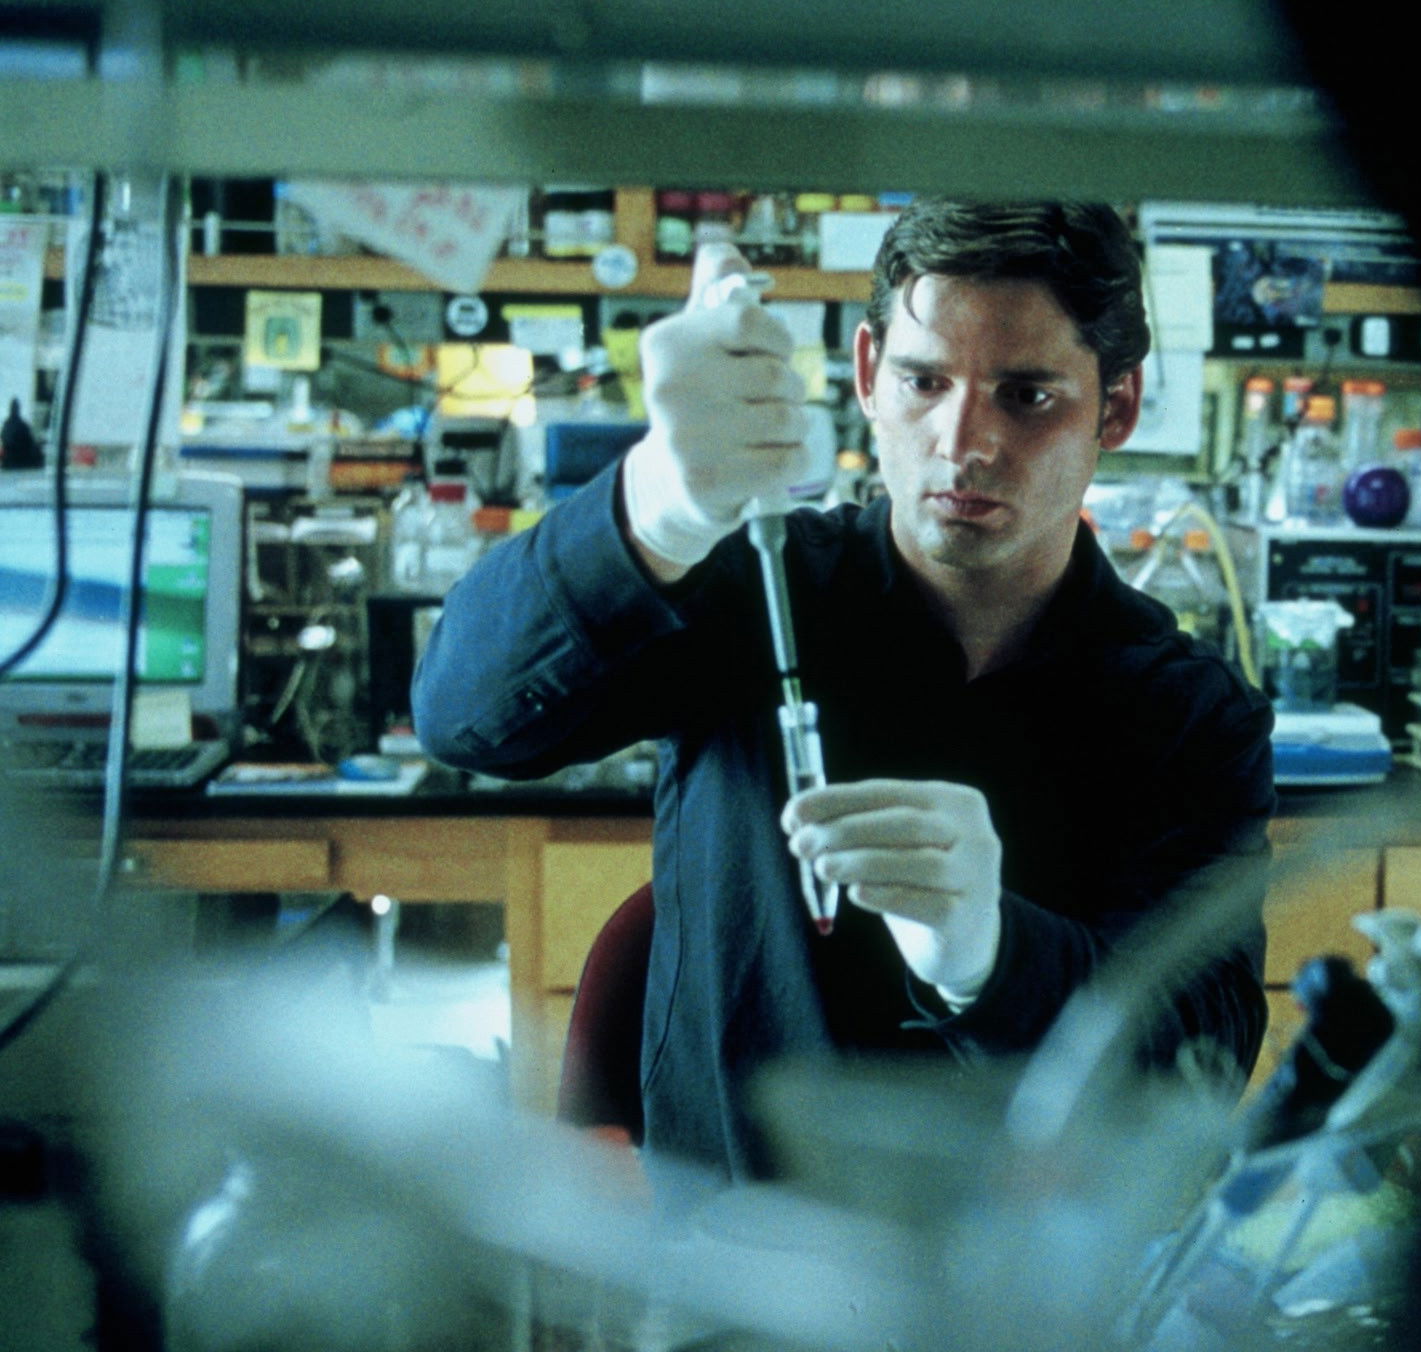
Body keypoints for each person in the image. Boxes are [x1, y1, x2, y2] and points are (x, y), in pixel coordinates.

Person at [414, 200, 1274, 1192]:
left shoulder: (1189, 713)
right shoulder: (751, 589)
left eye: (1027, 395)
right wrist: (653, 506)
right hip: (734, 1243)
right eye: (923, 381)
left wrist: (992, 959)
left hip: (1017, 1263)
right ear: (867, 373)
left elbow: (1196, 1073)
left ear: (1115, 407)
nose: (962, 441)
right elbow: (465, 718)